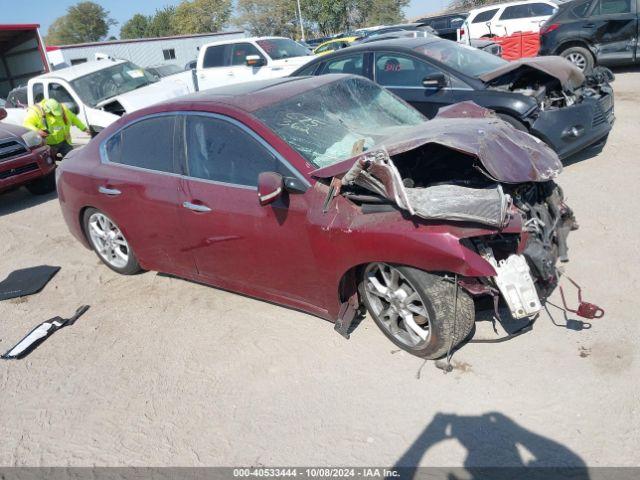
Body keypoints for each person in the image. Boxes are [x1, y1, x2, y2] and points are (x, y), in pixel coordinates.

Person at [23, 98, 89, 159]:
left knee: (72, 159)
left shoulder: (63, 108)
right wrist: (37, 131)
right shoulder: (35, 112)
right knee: (51, 164)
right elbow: (26, 124)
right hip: (48, 145)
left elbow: (74, 119)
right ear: (47, 111)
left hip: (64, 141)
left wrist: (84, 129)